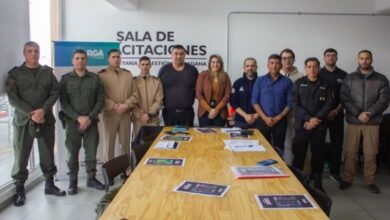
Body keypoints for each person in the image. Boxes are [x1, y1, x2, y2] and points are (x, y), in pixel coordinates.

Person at [6, 41, 66, 206]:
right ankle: (19, 189)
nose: (34, 54)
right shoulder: (15, 74)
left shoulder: (47, 73)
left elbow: (55, 92)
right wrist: (31, 113)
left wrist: (42, 110)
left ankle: (49, 184)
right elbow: (12, 98)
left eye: (36, 51)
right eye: (30, 51)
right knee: (21, 156)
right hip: (24, 121)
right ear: (24, 53)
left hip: (45, 120)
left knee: (47, 153)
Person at [339, 50, 390, 194]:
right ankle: (348, 179)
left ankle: (369, 181)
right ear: (358, 60)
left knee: (371, 153)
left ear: (371, 60)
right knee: (350, 152)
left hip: (372, 122)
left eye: (367, 58)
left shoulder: (381, 79)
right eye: (361, 58)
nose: (364, 61)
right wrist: (358, 113)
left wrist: (370, 113)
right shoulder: (349, 78)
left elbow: (384, 100)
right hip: (354, 121)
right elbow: (344, 98)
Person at [59, 49, 105, 195]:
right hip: (72, 122)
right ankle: (73, 181)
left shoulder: (95, 78)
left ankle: (91, 178)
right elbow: (63, 102)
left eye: (83, 58)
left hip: (91, 122)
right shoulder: (65, 79)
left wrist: (89, 117)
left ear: (87, 60)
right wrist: (78, 118)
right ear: (73, 60)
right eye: (77, 58)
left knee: (91, 152)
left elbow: (100, 100)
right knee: (72, 152)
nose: (80, 61)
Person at [292, 57, 332, 193]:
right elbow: (295, 104)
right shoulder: (298, 83)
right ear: (305, 68)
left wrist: (315, 120)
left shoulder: (325, 84)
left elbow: (328, 105)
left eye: (315, 66)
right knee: (299, 155)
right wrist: (309, 119)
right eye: (309, 66)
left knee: (318, 156)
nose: (312, 69)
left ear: (319, 68)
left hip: (319, 126)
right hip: (302, 125)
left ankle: (318, 182)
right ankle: (297, 181)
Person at [98, 49, 138, 163]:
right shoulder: (101, 75)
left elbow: (135, 95)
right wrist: (114, 106)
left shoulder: (128, 74)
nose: (116, 59)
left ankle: (125, 170)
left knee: (125, 144)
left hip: (125, 114)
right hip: (109, 114)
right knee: (108, 144)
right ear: (108, 59)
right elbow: (99, 96)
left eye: (118, 57)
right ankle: (109, 172)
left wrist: (126, 105)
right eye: (113, 57)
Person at [252, 54, 292, 151]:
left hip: (280, 121)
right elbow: (254, 101)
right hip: (263, 120)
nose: (274, 66)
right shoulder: (260, 80)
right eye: (272, 63)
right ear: (267, 65)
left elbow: (290, 103)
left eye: (277, 63)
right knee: (261, 149)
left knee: (279, 150)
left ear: (281, 66)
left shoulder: (287, 82)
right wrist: (265, 118)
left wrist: (278, 118)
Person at [319, 48, 348, 184]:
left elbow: (346, 97)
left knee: (337, 143)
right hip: (320, 115)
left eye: (333, 56)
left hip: (337, 114)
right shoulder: (318, 73)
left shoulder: (343, 74)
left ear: (336, 58)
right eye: (328, 55)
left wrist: (336, 111)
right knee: (317, 143)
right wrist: (324, 113)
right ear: (324, 58)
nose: (330, 58)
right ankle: (316, 171)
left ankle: (335, 172)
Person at [158, 44, 199, 126]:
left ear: (185, 55)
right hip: (169, 113)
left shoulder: (192, 70)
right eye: (176, 53)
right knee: (170, 138)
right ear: (171, 55)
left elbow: (199, 90)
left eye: (181, 54)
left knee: (189, 137)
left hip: (187, 113)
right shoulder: (164, 70)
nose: (178, 56)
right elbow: (157, 90)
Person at [280, 49, 305, 164]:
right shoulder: (275, 74)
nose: (287, 60)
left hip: (294, 116)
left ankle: (290, 169)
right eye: (284, 58)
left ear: (293, 59)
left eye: (290, 58)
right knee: (278, 144)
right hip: (277, 116)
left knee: (291, 144)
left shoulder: (301, 76)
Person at [196, 54, 231, 127]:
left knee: (218, 136)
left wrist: (216, 110)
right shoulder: (203, 75)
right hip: (204, 112)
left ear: (221, 64)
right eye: (213, 62)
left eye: (218, 62)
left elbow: (227, 95)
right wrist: (209, 110)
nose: (215, 64)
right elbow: (199, 94)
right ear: (209, 64)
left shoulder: (225, 76)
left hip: (220, 112)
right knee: (205, 135)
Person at [133, 56, 164, 137]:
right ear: (138, 65)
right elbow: (131, 101)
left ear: (150, 65)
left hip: (153, 120)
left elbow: (159, 101)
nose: (145, 67)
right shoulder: (133, 82)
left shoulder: (157, 81)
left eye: (147, 64)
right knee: (139, 147)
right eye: (142, 64)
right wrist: (141, 114)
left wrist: (149, 114)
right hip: (138, 120)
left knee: (153, 145)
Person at [229, 58, 259, 129]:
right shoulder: (237, 83)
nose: (250, 68)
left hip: (258, 121)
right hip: (240, 121)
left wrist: (256, 115)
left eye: (252, 66)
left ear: (256, 67)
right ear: (243, 68)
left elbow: (266, 102)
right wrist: (245, 115)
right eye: (247, 66)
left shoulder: (262, 83)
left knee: (258, 140)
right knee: (238, 140)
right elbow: (233, 101)